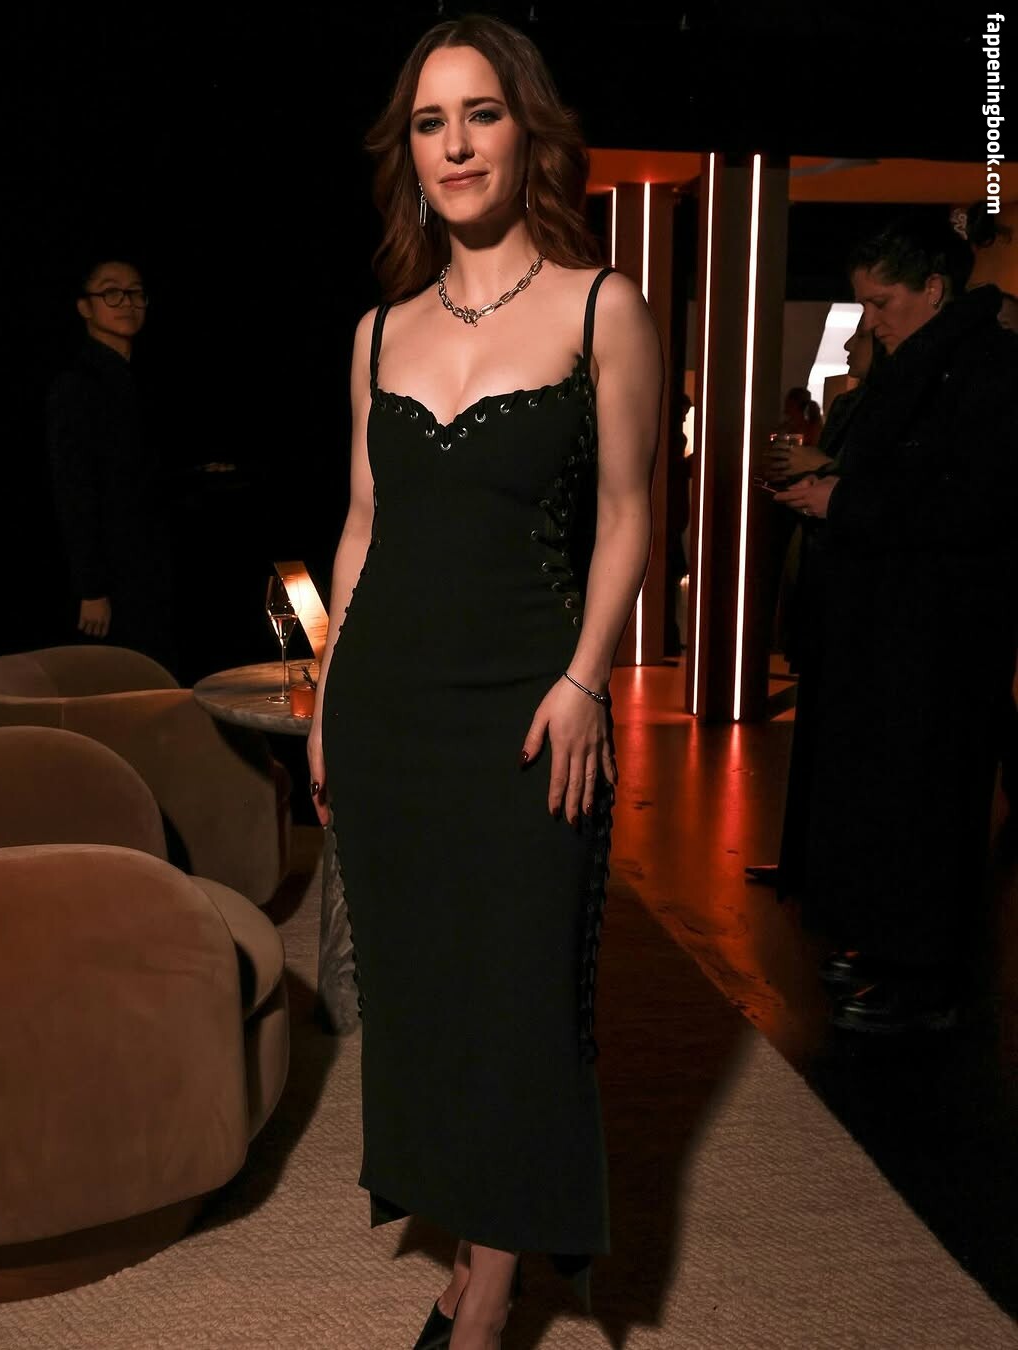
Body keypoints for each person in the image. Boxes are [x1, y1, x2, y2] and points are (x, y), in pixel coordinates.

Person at [306, 15, 663, 1347]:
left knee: (520, 993)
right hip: (390, 706)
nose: (455, 145)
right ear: (408, 154)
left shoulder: (600, 305)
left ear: (529, 134)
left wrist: (586, 680)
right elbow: (361, 525)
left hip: (529, 705)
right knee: (425, 995)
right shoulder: (376, 333)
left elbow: (627, 514)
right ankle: (473, 1236)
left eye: (481, 114)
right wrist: (330, 699)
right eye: (429, 122)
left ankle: (492, 1288)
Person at [773, 211, 1018, 1033]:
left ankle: (923, 979)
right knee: (891, 797)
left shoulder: (982, 370)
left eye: (882, 303)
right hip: (900, 625)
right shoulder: (936, 364)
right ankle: (891, 953)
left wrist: (842, 498)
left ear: (934, 289)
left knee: (925, 804)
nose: (870, 321)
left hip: (939, 633)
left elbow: (974, 504)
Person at [744, 315, 880, 887]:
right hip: (822, 574)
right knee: (816, 730)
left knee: (845, 737)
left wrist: (820, 468)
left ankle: (825, 867)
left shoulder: (885, 406)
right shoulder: (852, 405)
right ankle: (805, 861)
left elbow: (890, 492)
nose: (849, 343)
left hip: (853, 586)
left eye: (864, 330)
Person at [45, 256, 176, 673]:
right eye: (112, 293)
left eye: (135, 293)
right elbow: (74, 490)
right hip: (114, 575)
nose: (127, 302)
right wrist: (91, 588)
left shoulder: (143, 379)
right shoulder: (76, 385)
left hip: (152, 567)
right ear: (85, 306)